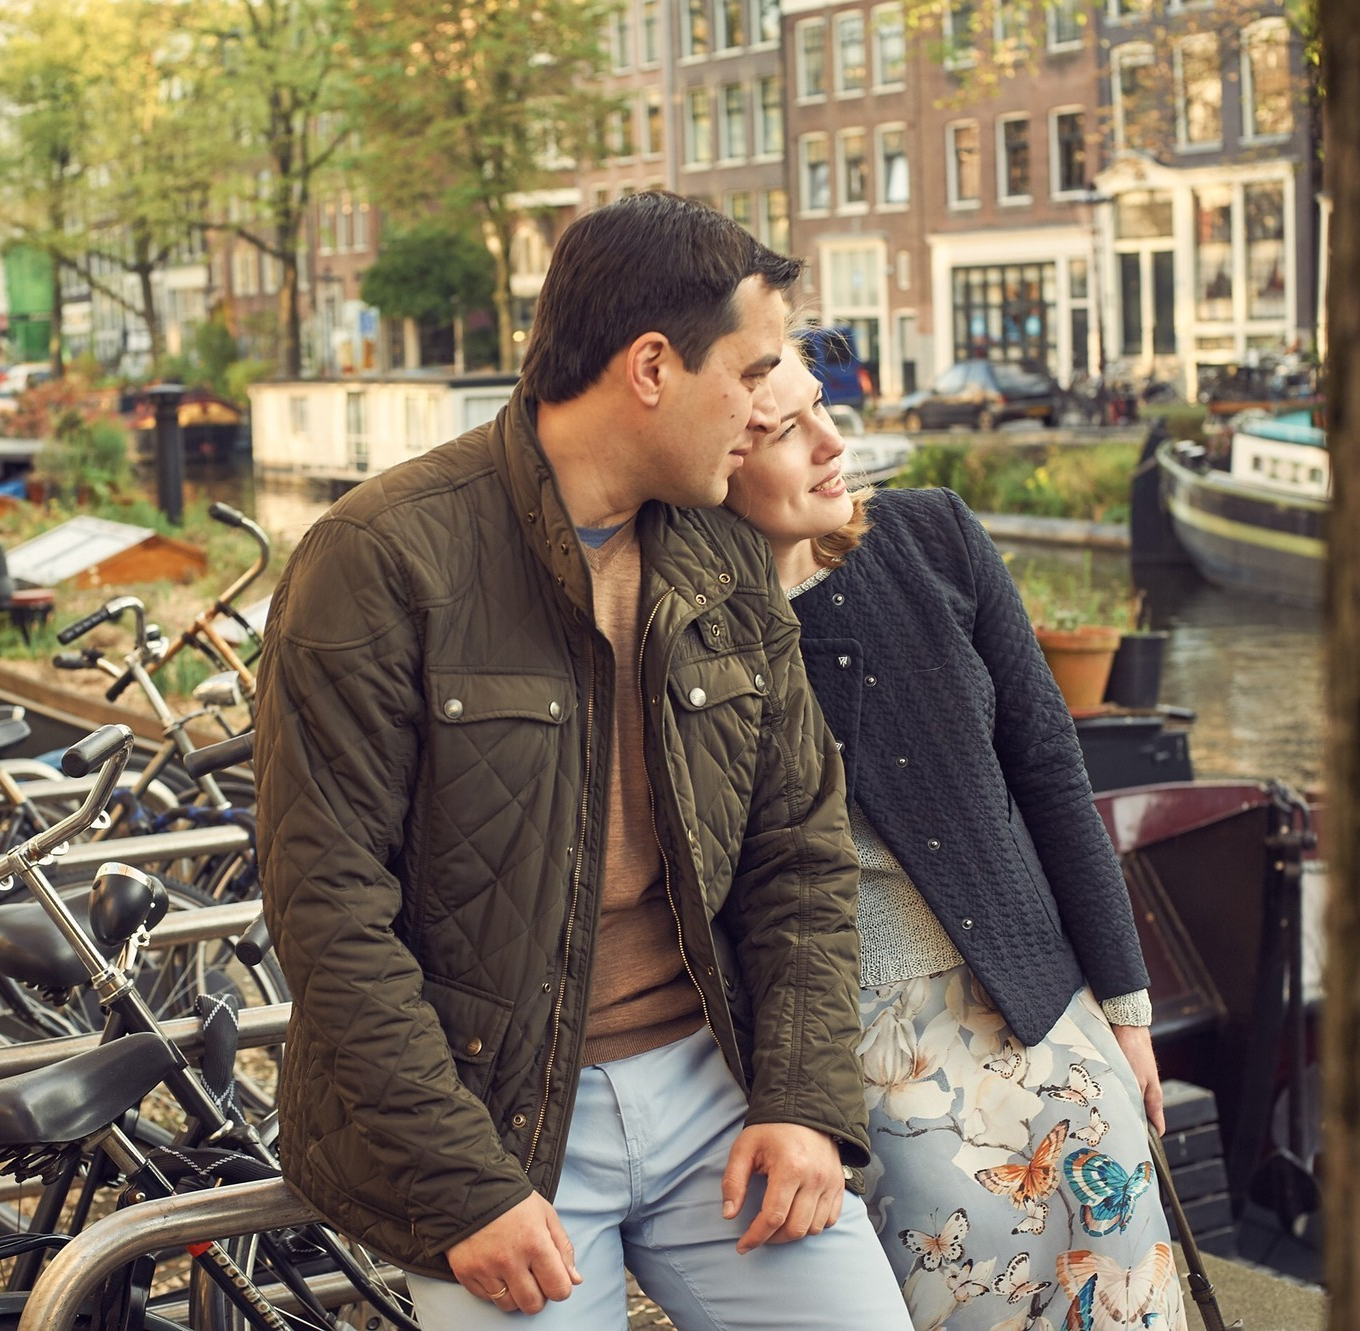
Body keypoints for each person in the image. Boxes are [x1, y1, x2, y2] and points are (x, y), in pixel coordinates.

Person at [254, 192, 908, 1330]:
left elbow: (796, 847)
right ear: (651, 366)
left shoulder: (718, 550)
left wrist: (801, 1099)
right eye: (750, 374)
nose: (765, 410)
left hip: (717, 1094)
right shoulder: (376, 557)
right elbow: (329, 914)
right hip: (501, 1122)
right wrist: (465, 1183)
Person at [722, 344, 1187, 1331]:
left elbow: (1052, 771)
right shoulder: (696, 633)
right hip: (869, 1054)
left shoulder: (930, 536)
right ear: (713, 460)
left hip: (1043, 1004)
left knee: (1126, 1297)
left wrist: (1124, 1005)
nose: (830, 441)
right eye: (781, 430)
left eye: (820, 408)